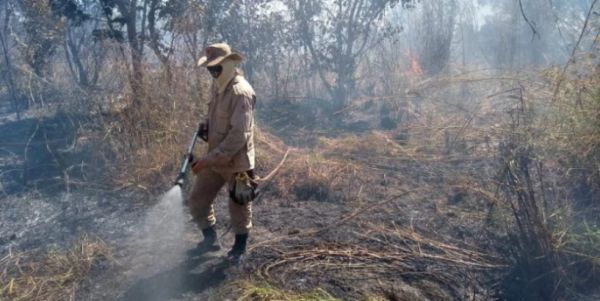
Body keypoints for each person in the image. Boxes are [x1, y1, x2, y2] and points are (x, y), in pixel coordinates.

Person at [188, 42, 257, 264]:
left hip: (237, 162)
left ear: (228, 64)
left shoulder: (241, 92)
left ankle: (239, 248)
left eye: (215, 68)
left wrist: (206, 159)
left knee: (239, 205)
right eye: (209, 68)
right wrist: (206, 126)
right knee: (197, 200)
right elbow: (213, 115)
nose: (211, 72)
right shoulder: (218, 86)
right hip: (215, 158)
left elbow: (239, 136)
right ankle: (211, 240)